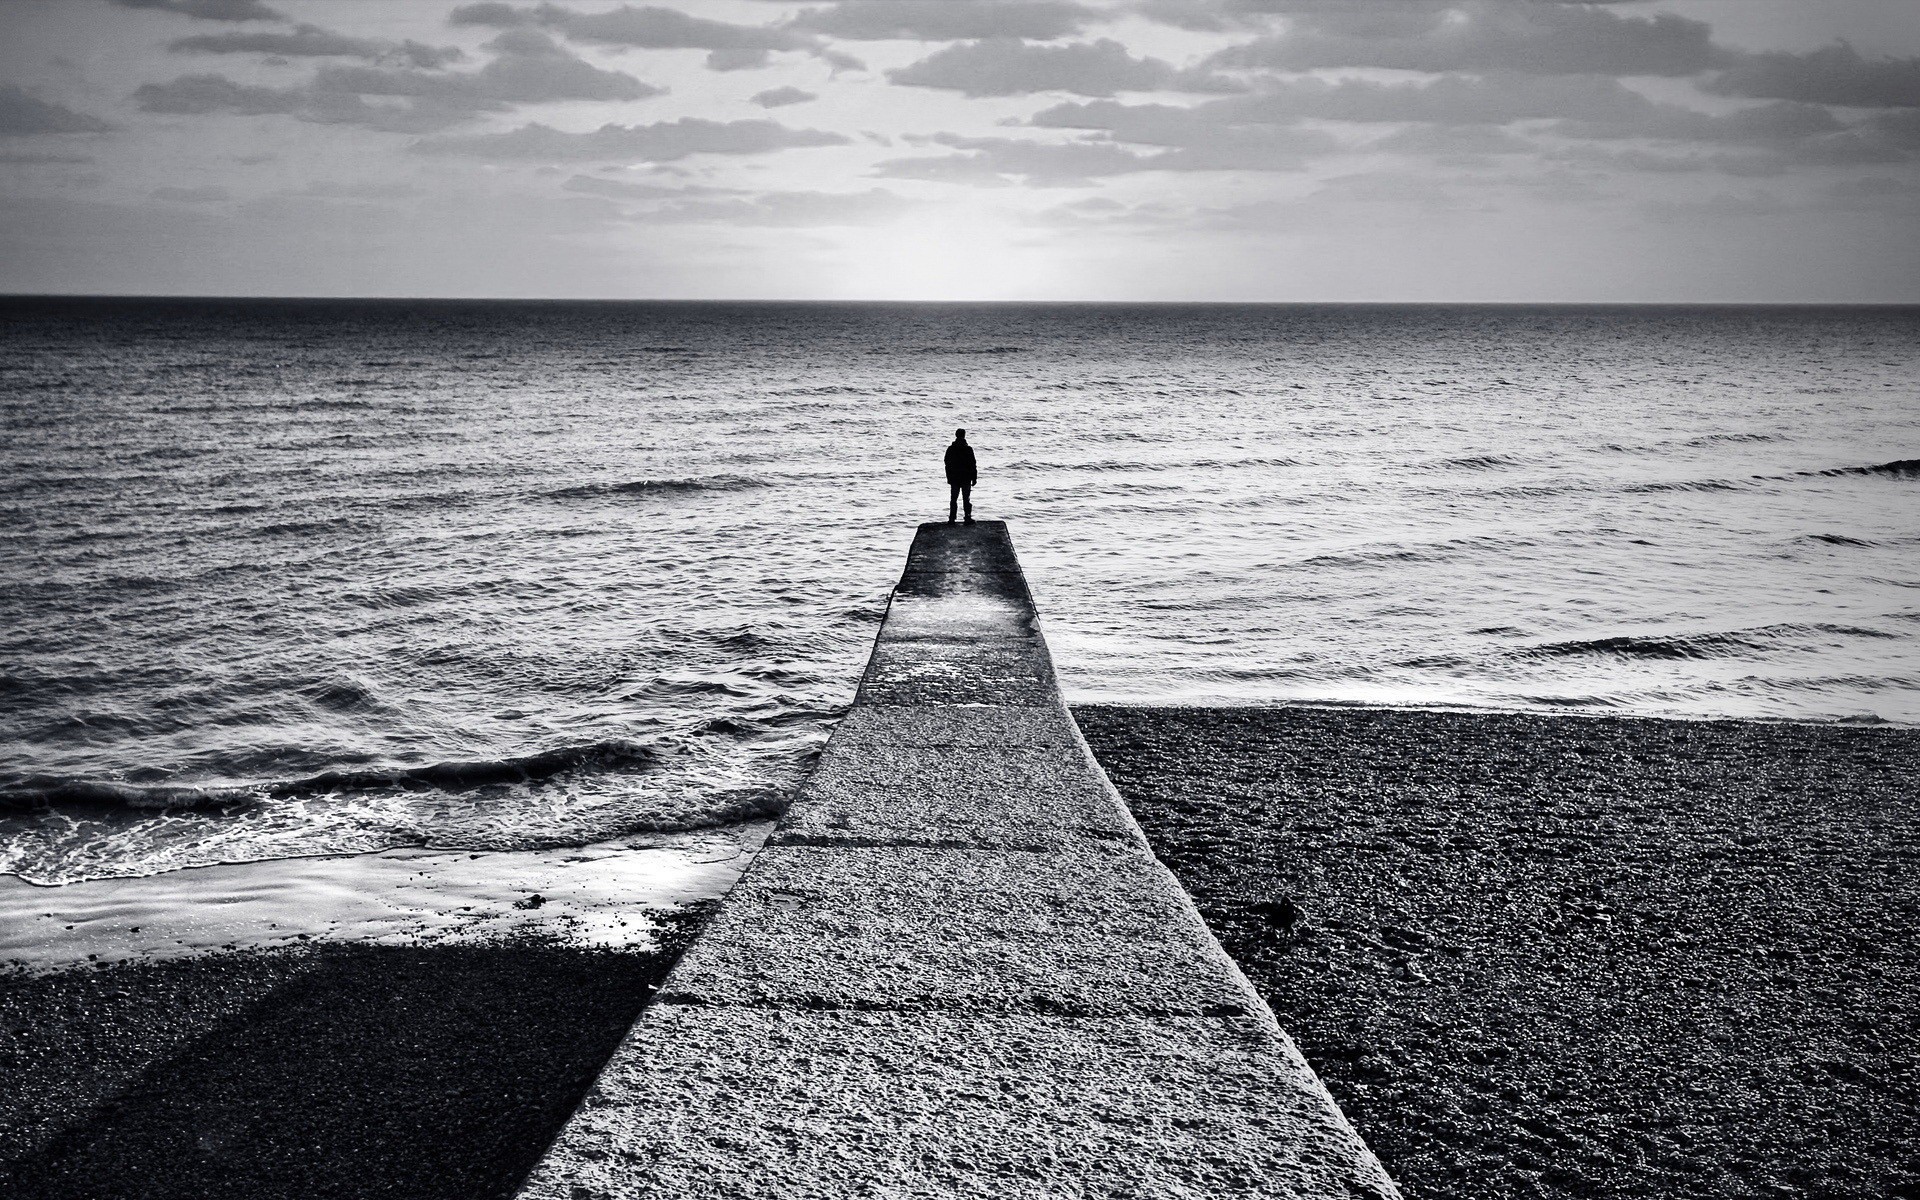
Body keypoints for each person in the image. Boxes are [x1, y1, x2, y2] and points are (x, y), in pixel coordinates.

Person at [944, 428, 976, 524]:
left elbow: (947, 463)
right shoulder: (968, 449)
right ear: (964, 435)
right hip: (966, 477)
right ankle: (967, 517)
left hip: (954, 477)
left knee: (953, 498)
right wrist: (974, 478)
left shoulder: (951, 449)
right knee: (966, 499)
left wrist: (949, 477)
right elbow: (973, 464)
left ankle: (952, 518)